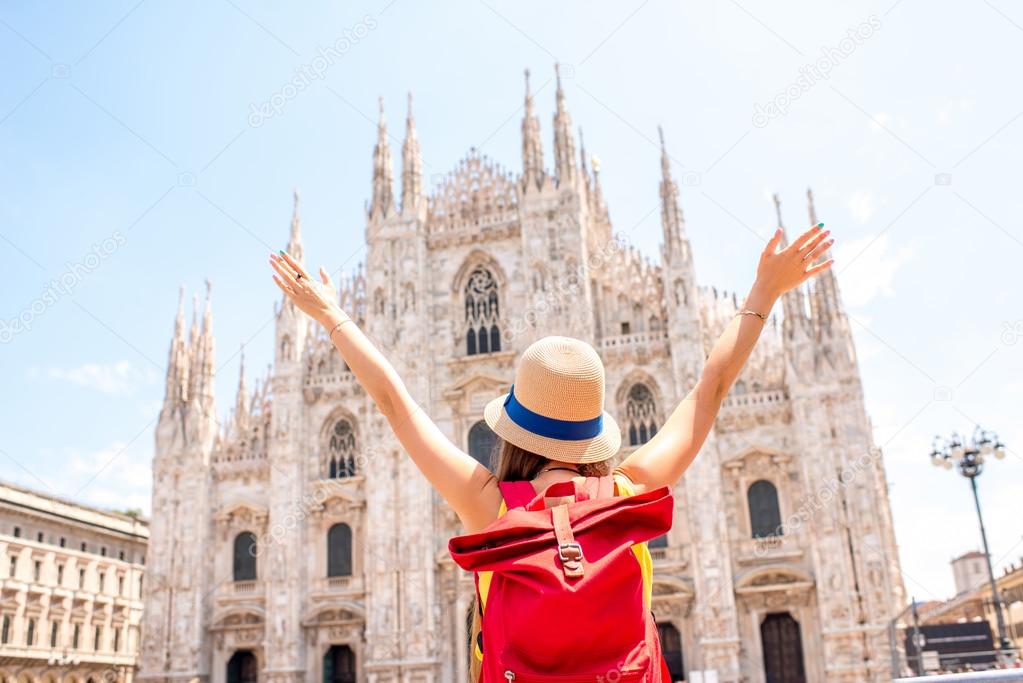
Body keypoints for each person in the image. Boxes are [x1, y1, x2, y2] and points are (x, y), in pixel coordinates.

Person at [269, 222, 833, 678]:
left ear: (511, 432)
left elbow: (396, 402)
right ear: (595, 434)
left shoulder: (487, 504)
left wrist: (330, 314)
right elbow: (708, 391)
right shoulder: (627, 491)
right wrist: (765, 291)